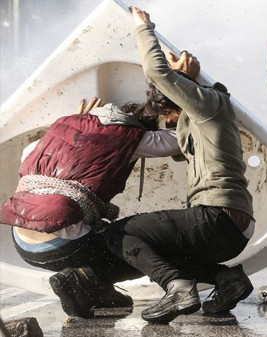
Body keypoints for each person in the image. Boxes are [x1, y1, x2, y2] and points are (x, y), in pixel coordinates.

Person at [103, 7, 255, 324]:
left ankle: (179, 288)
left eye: (168, 114)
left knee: (119, 233)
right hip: (234, 227)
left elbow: (159, 74)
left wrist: (143, 28)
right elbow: (176, 146)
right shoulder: (205, 117)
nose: (169, 121)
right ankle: (227, 279)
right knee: (158, 249)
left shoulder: (208, 104)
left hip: (217, 216)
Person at [0, 93, 182, 318]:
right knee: (142, 248)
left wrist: (79, 122)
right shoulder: (130, 137)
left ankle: (93, 289)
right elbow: (178, 140)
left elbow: (30, 156)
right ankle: (84, 279)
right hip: (63, 247)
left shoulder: (59, 128)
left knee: (93, 234)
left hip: (23, 244)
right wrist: (180, 111)